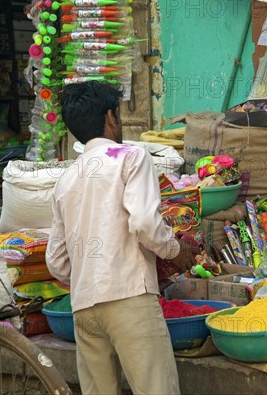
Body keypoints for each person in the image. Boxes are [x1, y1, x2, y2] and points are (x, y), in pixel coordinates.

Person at [47, 81, 191, 394]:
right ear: (111, 117)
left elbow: (56, 261)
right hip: (129, 298)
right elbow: (143, 223)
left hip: (84, 306)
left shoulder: (66, 179)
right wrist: (175, 251)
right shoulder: (131, 157)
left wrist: (91, 274)